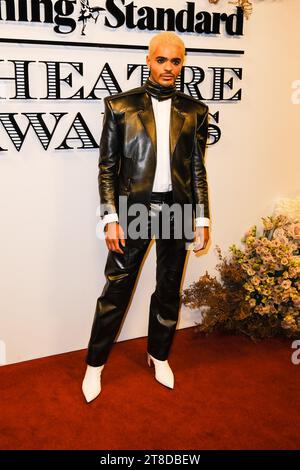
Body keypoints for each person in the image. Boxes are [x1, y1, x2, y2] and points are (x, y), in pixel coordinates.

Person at [82, 32, 210, 403]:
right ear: (149, 60)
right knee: (116, 290)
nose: (168, 67)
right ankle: (94, 365)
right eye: (162, 60)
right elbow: (107, 167)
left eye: (176, 61)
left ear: (182, 63)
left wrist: (201, 220)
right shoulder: (120, 106)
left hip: (178, 207)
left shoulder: (195, 111)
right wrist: (110, 217)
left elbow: (198, 170)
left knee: (168, 289)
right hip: (134, 208)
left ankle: (159, 355)